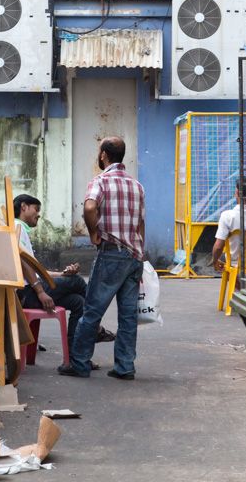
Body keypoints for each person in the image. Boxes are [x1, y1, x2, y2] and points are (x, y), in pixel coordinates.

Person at [59, 136, 146, 380]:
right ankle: (125, 367)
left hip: (112, 252)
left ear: (104, 155)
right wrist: (140, 253)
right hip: (134, 255)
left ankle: (79, 363)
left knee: (92, 310)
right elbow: (141, 223)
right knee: (128, 316)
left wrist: (93, 231)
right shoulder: (137, 186)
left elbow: (89, 208)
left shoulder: (100, 182)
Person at [13, 193, 113, 348]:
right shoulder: (16, 227)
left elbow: (36, 270)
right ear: (24, 207)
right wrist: (40, 291)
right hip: (26, 293)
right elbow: (22, 263)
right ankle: (96, 328)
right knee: (78, 282)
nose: (38, 214)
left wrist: (62, 274)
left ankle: (75, 358)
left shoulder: (21, 229)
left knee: (77, 302)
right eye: (36, 209)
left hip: (30, 289)